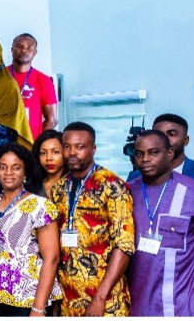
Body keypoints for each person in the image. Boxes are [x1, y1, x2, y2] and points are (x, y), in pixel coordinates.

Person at [126, 130, 194, 316]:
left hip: (184, 307)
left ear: (169, 154)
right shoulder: (125, 193)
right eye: (139, 154)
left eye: (153, 152)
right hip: (135, 307)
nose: (145, 159)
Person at [47, 122, 134, 317]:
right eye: (67, 146)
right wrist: (55, 298)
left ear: (93, 149)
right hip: (68, 300)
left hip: (105, 300)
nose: (71, 152)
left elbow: (125, 246)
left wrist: (100, 298)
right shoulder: (58, 189)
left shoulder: (112, 186)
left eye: (80, 147)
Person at [0, 142, 60, 317]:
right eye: (3, 167)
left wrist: (38, 308)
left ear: (25, 171)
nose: (8, 173)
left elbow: (52, 259)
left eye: (16, 167)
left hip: (26, 297)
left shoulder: (40, 207)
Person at [127, 113, 194, 200]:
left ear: (186, 140)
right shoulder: (135, 178)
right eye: (159, 135)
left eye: (171, 134)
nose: (164, 140)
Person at [8, 34, 57, 139]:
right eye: (19, 46)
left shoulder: (43, 80)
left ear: (35, 53)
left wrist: (38, 143)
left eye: (29, 47)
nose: (24, 50)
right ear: (11, 50)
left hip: (30, 145)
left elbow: (52, 120)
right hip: (1, 144)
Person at [33, 129, 65, 195]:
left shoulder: (73, 185)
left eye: (55, 152)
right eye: (43, 153)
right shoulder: (30, 186)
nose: (48, 158)